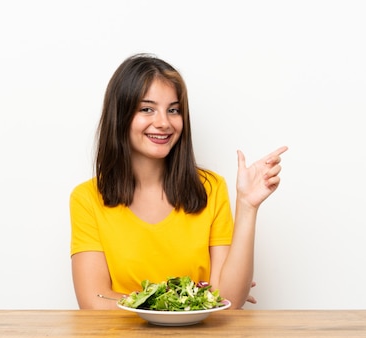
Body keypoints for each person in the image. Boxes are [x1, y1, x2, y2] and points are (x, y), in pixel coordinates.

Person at [70, 53, 287, 309]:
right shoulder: (87, 198)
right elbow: (94, 301)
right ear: (120, 116)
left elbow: (229, 298)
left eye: (173, 110)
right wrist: (196, 297)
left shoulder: (211, 188)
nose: (163, 123)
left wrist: (248, 206)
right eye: (147, 109)